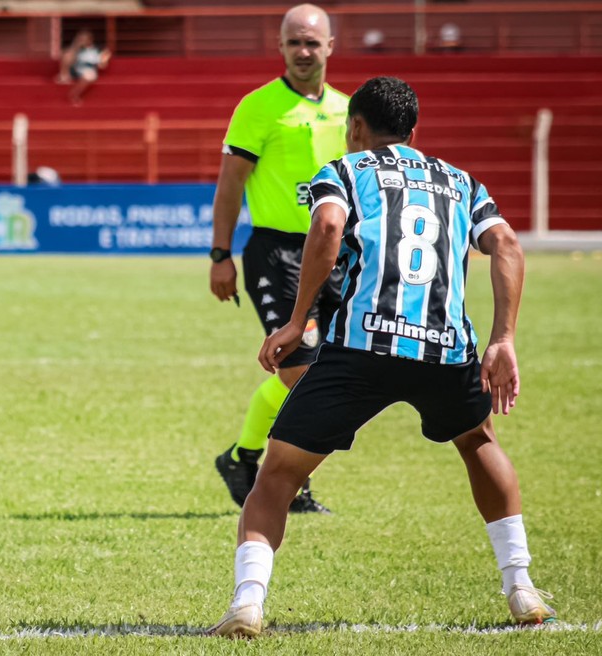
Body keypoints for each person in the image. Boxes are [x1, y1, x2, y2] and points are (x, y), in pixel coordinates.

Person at [208, 76, 557, 637]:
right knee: (478, 442)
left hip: (362, 347)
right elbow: (508, 246)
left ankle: (248, 605)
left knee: (276, 475)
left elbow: (326, 225)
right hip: (446, 348)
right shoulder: (461, 182)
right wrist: (504, 339)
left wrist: (298, 321)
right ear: (414, 132)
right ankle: (521, 587)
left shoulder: (344, 171)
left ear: (354, 127)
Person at [209, 4, 348, 514]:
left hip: (337, 255)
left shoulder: (348, 111)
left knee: (328, 372)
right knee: (301, 375)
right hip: (277, 254)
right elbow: (230, 188)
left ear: (330, 45)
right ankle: (283, 478)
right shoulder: (258, 107)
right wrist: (220, 254)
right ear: (281, 46)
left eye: (313, 42)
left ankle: (244, 455)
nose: (304, 52)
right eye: (295, 42)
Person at [56, 29, 111, 106]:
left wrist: (105, 57)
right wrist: (76, 46)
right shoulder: (76, 48)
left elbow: (102, 65)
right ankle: (63, 76)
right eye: (80, 39)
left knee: (90, 75)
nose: (82, 41)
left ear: (90, 39)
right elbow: (62, 54)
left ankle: (74, 95)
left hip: (87, 70)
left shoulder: (98, 49)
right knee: (67, 54)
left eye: (84, 39)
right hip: (75, 69)